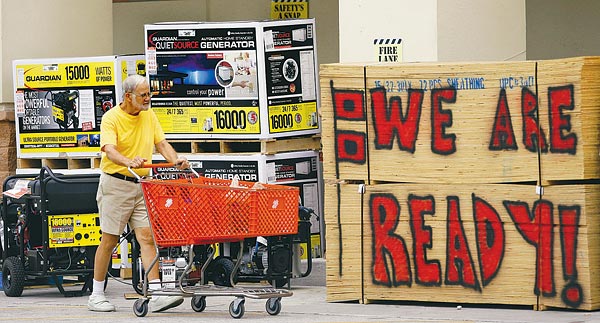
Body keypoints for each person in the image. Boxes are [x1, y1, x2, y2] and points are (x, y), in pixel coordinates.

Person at [88, 74, 189, 312]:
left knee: (147, 237)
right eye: (143, 95)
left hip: (143, 184)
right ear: (128, 96)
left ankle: (155, 292)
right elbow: (109, 151)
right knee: (109, 239)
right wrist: (128, 161)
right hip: (116, 184)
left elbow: (161, 144)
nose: (148, 98)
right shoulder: (111, 118)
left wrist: (176, 160)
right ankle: (96, 294)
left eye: (148, 93)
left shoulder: (148, 115)